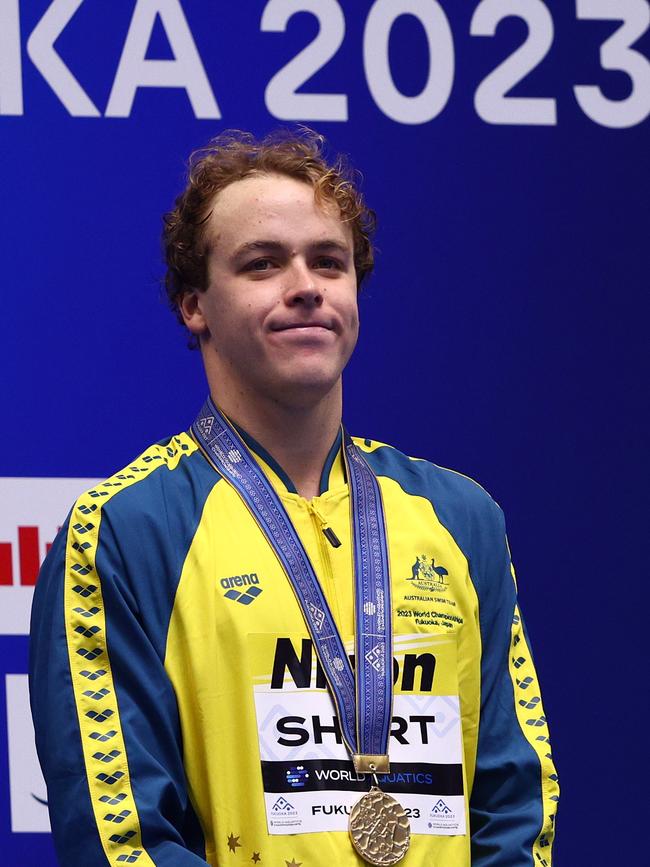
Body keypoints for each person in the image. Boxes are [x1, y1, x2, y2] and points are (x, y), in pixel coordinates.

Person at [30, 129, 559, 867]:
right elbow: (123, 843)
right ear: (195, 305)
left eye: (329, 262)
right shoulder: (125, 531)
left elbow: (515, 804)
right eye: (263, 263)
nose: (306, 284)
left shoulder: (460, 516)